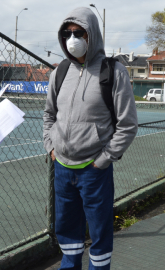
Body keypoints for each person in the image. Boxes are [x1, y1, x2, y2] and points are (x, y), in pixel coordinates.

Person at [43, 7, 138, 269]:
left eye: (79, 32)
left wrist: (104, 159)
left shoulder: (114, 71)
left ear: (91, 33)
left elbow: (127, 124)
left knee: (99, 232)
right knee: (66, 230)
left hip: (94, 170)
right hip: (62, 167)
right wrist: (51, 148)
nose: (72, 38)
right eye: (67, 33)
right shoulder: (59, 71)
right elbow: (49, 115)